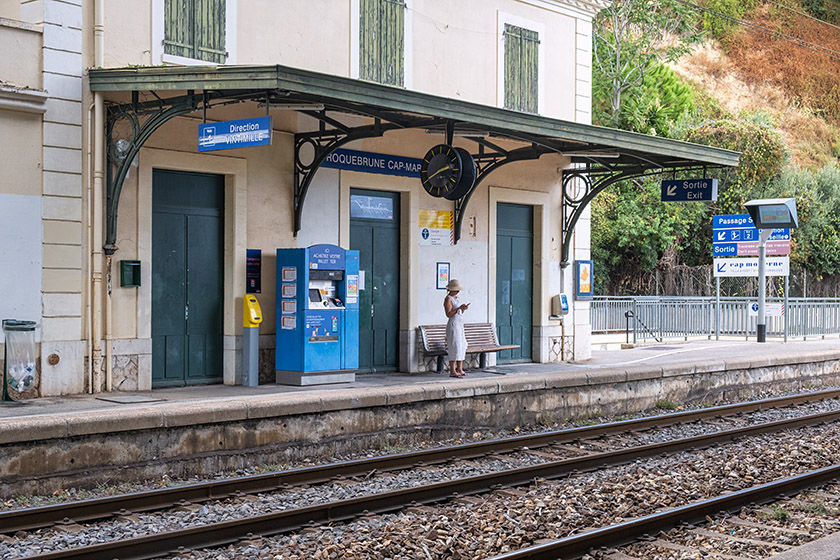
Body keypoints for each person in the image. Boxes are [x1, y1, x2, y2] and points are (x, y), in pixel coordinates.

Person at [443, 279, 469, 377]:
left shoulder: (457, 298)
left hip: (460, 325)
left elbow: (458, 312)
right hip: (453, 325)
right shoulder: (448, 299)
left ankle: (460, 368)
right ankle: (452, 370)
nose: (457, 291)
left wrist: (463, 309)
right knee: (455, 346)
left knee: (462, 346)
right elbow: (448, 314)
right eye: (456, 289)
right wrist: (458, 309)